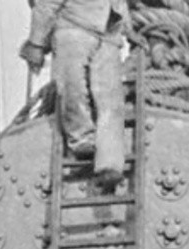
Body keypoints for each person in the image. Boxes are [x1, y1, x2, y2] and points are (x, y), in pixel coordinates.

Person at [19, 0, 128, 187]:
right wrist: (36, 43)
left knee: (110, 101)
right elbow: (47, 4)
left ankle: (109, 164)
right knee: (72, 88)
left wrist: (128, 27)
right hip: (73, 27)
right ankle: (81, 140)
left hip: (108, 35)